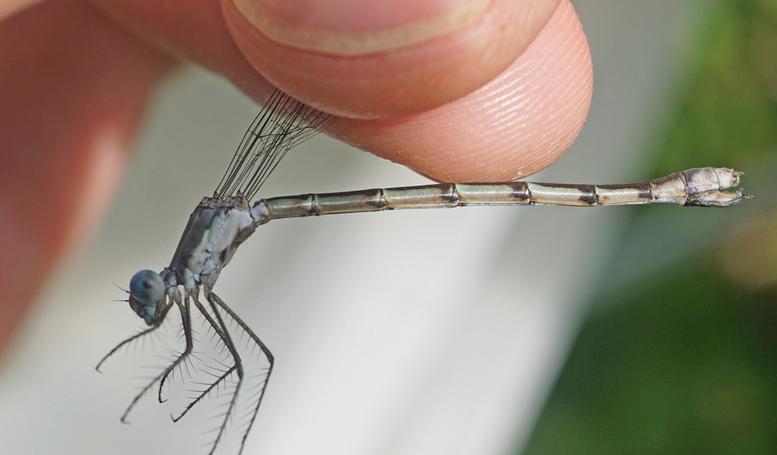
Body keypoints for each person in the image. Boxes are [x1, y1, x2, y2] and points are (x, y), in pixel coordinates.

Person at [0, 0, 593, 354]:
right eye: (147, 296)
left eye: (145, 293)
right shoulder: (188, 283)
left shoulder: (188, 276)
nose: (148, 299)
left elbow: (233, 361)